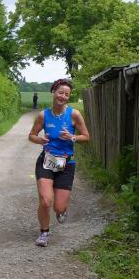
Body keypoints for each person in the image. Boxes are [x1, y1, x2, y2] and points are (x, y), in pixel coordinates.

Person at [28, 78, 89, 247]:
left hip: (67, 163)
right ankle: (44, 233)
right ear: (54, 92)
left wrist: (72, 137)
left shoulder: (74, 114)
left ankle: (62, 210)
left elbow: (86, 137)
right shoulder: (44, 115)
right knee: (45, 201)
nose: (63, 96)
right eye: (60, 92)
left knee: (59, 207)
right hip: (46, 161)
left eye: (67, 94)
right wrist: (40, 140)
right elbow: (31, 135)